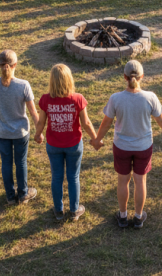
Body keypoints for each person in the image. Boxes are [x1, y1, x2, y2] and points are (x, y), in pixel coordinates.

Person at [92, 60, 162, 229]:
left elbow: (106, 123)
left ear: (124, 77)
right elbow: (161, 119)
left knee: (123, 181)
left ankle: (122, 216)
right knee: (140, 181)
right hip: (143, 147)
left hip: (121, 146)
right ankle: (138, 217)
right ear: (142, 77)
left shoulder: (116, 98)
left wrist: (97, 140)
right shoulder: (150, 97)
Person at [34, 64, 98, 222]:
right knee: (73, 177)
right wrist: (95, 138)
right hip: (74, 145)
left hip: (54, 145)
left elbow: (41, 122)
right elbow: (87, 123)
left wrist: (37, 134)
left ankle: (58, 211)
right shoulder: (78, 99)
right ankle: (74, 210)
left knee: (56, 177)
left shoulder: (46, 99)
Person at [0, 50, 39, 204]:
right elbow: (33, 111)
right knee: (21, 162)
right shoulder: (23, 85)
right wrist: (39, 131)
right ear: (15, 65)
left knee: (6, 162)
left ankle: (9, 196)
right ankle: (23, 194)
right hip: (21, 133)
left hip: (2, 132)